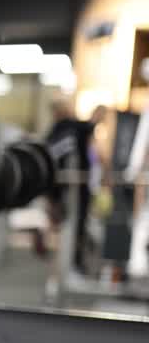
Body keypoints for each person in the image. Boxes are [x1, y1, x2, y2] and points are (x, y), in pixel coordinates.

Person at [46, 99, 106, 274]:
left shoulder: (64, 129)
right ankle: (71, 266)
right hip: (70, 189)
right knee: (71, 227)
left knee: (73, 227)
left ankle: (73, 265)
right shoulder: (66, 128)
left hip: (71, 187)